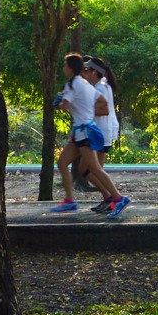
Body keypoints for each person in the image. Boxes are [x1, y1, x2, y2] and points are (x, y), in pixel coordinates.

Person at [51, 54, 125, 217]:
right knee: (71, 165)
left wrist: (63, 104)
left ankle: (116, 197)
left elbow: (67, 107)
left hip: (90, 131)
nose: (86, 71)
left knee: (93, 169)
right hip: (83, 131)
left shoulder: (86, 85)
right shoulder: (89, 84)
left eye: (89, 69)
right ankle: (94, 198)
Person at [87, 57, 125, 215]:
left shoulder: (100, 87)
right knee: (95, 170)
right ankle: (108, 198)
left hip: (100, 133)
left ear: (94, 72)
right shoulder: (101, 86)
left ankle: (113, 197)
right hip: (102, 132)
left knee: (90, 171)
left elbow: (104, 110)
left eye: (86, 70)